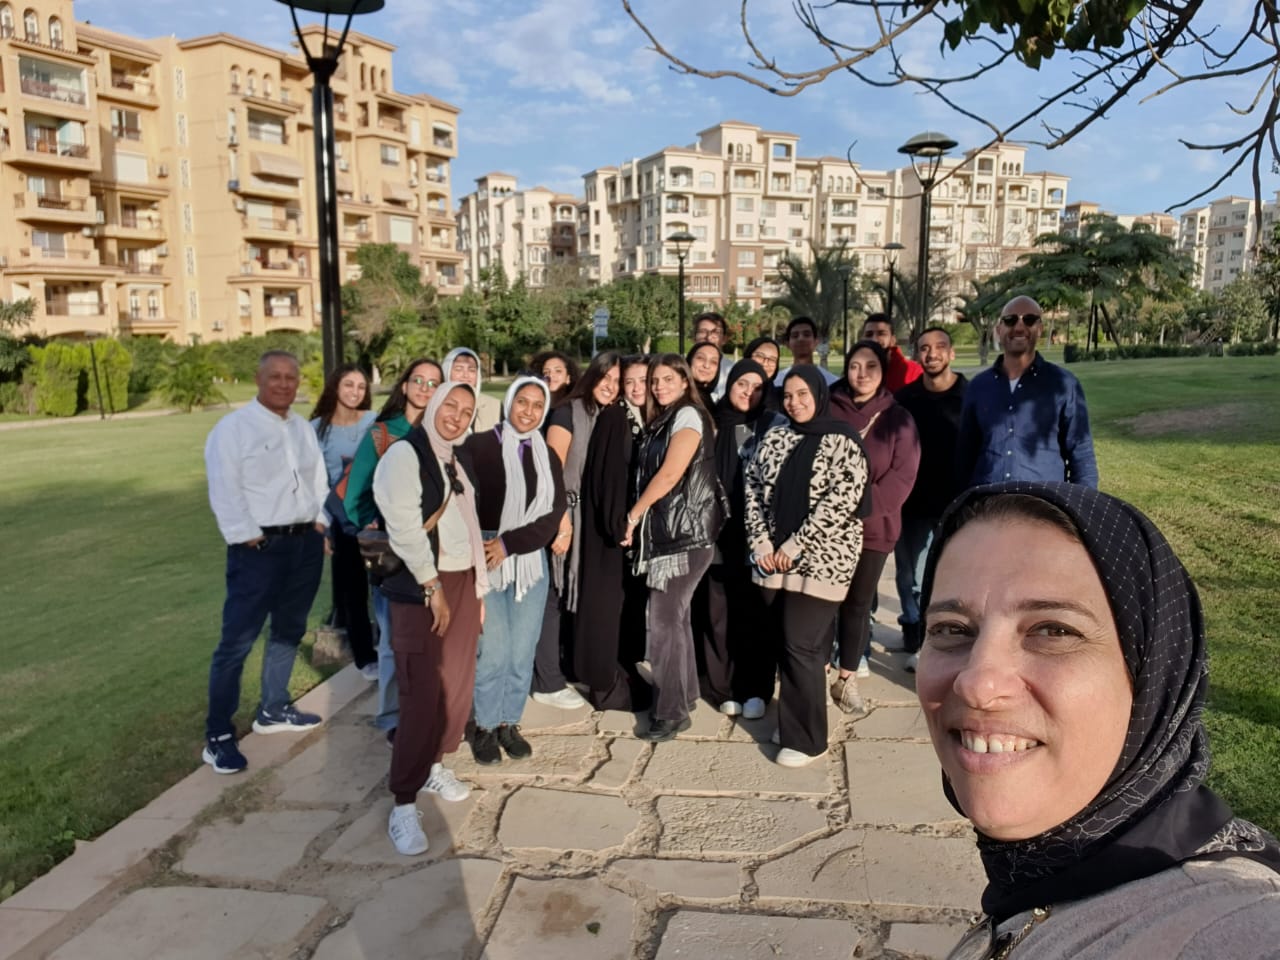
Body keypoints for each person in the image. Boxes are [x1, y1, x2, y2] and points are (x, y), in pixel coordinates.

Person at [916, 483, 1280, 959]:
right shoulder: (1038, 874)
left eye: (1053, 630)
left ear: (1154, 673)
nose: (977, 684)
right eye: (951, 629)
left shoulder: (1226, 922)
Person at [373, 382, 490, 856]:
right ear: (434, 406)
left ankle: (434, 765)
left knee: (455, 688)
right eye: (450, 406)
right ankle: (403, 801)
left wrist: (477, 589)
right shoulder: (405, 456)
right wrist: (432, 585)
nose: (457, 416)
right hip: (424, 585)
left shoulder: (454, 459)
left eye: (466, 411)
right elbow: (404, 527)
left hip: (462, 582)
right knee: (421, 693)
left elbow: (469, 525)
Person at [202, 351, 330, 775]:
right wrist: (248, 535)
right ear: (258, 379)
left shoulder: (301, 428)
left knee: (289, 629)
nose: (284, 384)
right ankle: (218, 735)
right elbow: (225, 487)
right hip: (258, 549)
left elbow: (317, 480)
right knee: (237, 641)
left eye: (291, 377)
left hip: (304, 544)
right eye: (275, 376)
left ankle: (273, 708)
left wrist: (319, 522)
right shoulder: (233, 429)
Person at [743, 366, 868, 767]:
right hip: (774, 558)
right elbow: (752, 489)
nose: (794, 402)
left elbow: (841, 501)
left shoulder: (842, 440)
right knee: (785, 641)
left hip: (823, 558)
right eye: (788, 395)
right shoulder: (775, 437)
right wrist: (761, 542)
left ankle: (809, 740)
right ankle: (795, 720)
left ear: (819, 394)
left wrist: (795, 545)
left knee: (802, 642)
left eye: (802, 394)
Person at [622, 354, 726, 742]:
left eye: (668, 379)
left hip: (683, 538)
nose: (659, 386)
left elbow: (670, 474)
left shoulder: (687, 415)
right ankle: (685, 695)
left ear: (685, 382)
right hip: (673, 534)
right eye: (655, 380)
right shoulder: (664, 419)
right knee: (676, 621)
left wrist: (633, 515)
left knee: (664, 624)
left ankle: (669, 712)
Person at [463, 377, 565, 763]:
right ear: (509, 403)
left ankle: (509, 722)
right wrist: (487, 546)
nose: (529, 411)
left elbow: (553, 512)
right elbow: (463, 503)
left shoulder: (546, 455)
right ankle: (486, 726)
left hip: (527, 560)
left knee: (522, 649)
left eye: (538, 405)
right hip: (485, 553)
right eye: (523, 401)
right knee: (493, 649)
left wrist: (510, 544)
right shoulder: (477, 446)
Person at [343, 358, 443, 746]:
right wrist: (374, 524)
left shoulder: (441, 430)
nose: (424, 388)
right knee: (391, 640)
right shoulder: (383, 433)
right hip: (393, 553)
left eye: (433, 383)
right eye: (418, 380)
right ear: (404, 385)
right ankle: (391, 716)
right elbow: (355, 494)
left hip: (434, 550)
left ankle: (423, 708)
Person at [534, 352, 622, 709]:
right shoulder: (568, 412)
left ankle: (563, 666)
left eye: (618, 381)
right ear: (592, 376)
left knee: (570, 593)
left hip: (586, 519)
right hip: (561, 513)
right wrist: (562, 521)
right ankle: (546, 682)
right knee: (552, 597)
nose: (611, 386)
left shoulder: (604, 415)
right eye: (606, 377)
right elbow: (551, 468)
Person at [703, 358, 786, 719]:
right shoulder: (713, 422)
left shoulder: (773, 425)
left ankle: (756, 688)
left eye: (756, 387)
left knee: (757, 615)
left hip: (758, 538)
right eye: (741, 384)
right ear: (730, 384)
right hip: (716, 534)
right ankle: (723, 687)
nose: (748, 392)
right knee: (718, 614)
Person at [956, 295, 1098, 488]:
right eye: (1010, 320)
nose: (1019, 327)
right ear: (999, 330)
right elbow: (965, 456)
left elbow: (1081, 455)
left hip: (1042, 501)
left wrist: (1082, 503)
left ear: (1040, 329)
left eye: (1029, 320)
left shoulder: (1064, 384)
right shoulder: (978, 386)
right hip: (989, 501)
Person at [892, 327, 967, 672]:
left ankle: (936, 639)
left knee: (943, 577)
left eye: (939, 347)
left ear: (951, 353)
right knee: (908, 575)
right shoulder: (904, 400)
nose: (931, 353)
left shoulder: (971, 397)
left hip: (957, 504)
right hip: (912, 503)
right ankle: (913, 627)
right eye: (924, 348)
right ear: (916, 355)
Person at [309, 364, 378, 680]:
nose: (355, 392)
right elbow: (315, 482)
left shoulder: (373, 422)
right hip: (340, 519)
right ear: (335, 386)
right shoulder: (317, 429)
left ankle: (389, 645)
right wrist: (322, 526)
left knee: (384, 586)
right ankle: (366, 658)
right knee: (352, 591)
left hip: (375, 515)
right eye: (349, 385)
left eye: (361, 387)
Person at [441, 346, 502, 432]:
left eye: (471, 370)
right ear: (446, 372)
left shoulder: (495, 407)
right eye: (459, 369)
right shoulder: (435, 406)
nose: (466, 375)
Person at [860, 313, 922, 393]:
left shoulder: (913, 372)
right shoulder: (855, 371)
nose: (874, 340)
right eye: (869, 335)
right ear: (862, 339)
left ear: (893, 340)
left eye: (881, 334)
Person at [774, 316, 837, 387]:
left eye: (807, 335)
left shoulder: (832, 383)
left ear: (816, 341)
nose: (801, 339)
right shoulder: (777, 382)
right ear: (787, 344)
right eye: (795, 336)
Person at [693, 311, 735, 399]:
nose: (708, 337)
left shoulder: (733, 371)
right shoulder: (681, 368)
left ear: (724, 339)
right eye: (702, 331)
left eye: (715, 332)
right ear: (694, 337)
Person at [743, 335, 783, 411]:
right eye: (759, 356)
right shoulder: (734, 392)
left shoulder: (782, 398)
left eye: (772, 359)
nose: (765, 363)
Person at [686, 341, 723, 410]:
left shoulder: (710, 400)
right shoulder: (679, 396)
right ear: (690, 360)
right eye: (700, 358)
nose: (706, 365)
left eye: (713, 362)